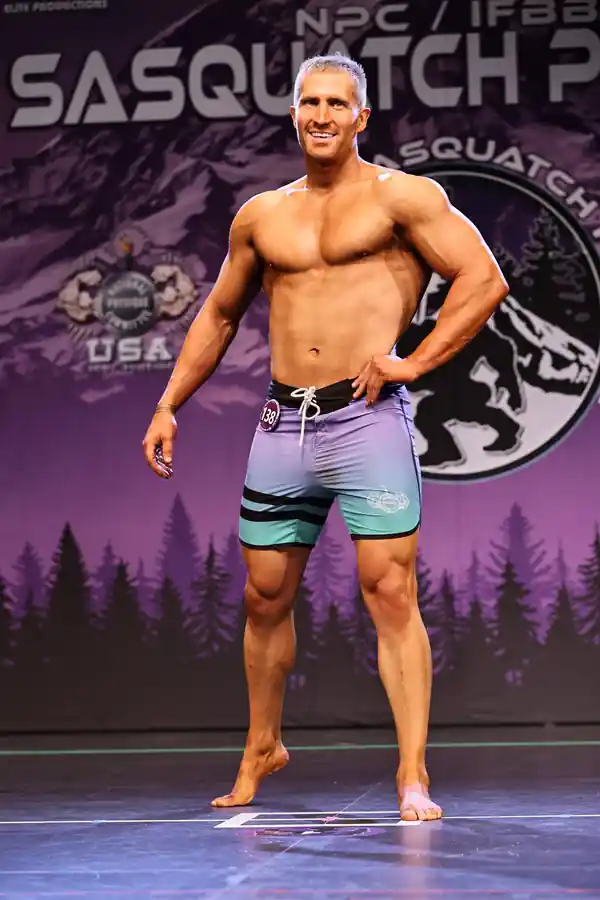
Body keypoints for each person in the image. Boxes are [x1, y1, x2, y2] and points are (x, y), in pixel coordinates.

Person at [142, 53, 508, 822]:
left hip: (366, 420)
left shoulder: (402, 197)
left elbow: (483, 278)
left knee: (390, 592)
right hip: (285, 425)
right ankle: (262, 746)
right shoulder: (262, 216)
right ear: (294, 114)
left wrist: (414, 362)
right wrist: (169, 402)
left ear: (360, 117)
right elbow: (219, 314)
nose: (320, 115)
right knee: (264, 595)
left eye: (336, 104)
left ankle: (412, 774)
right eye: (309, 102)